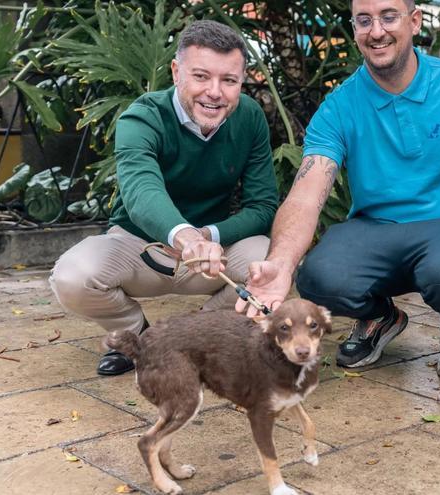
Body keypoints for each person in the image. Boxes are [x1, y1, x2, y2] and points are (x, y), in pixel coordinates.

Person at [236, 0, 440, 379]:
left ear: (415, 20)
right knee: (319, 277)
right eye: (364, 20)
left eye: (389, 17)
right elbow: (306, 193)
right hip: (375, 229)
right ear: (354, 27)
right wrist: (280, 265)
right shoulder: (339, 105)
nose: (376, 31)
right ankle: (379, 318)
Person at [50, 20, 278, 376]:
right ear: (176, 72)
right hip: (140, 248)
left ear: (241, 82)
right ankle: (134, 335)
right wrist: (184, 235)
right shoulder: (142, 116)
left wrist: (206, 236)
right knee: (73, 276)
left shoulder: (249, 117)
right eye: (201, 76)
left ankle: (190, 336)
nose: (214, 92)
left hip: (208, 254)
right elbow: (141, 191)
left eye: (229, 81)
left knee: (271, 263)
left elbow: (263, 206)